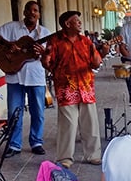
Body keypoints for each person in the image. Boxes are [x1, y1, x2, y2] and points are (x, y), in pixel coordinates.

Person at [0, 0, 51, 157]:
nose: (32, 13)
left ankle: (36, 142)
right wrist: (8, 44)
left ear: (39, 14)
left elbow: (50, 56)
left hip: (36, 77)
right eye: (29, 10)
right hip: (15, 76)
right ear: (24, 12)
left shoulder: (44, 33)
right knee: (14, 112)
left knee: (38, 111)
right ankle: (14, 145)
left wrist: (43, 52)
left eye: (35, 10)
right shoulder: (11, 27)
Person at [42, 10, 102, 168]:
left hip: (86, 86)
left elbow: (95, 63)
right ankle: (65, 158)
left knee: (90, 123)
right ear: (67, 24)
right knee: (67, 125)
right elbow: (48, 64)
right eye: (77, 21)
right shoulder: (55, 41)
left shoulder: (86, 41)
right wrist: (45, 56)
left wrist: (102, 52)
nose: (80, 23)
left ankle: (93, 155)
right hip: (66, 87)